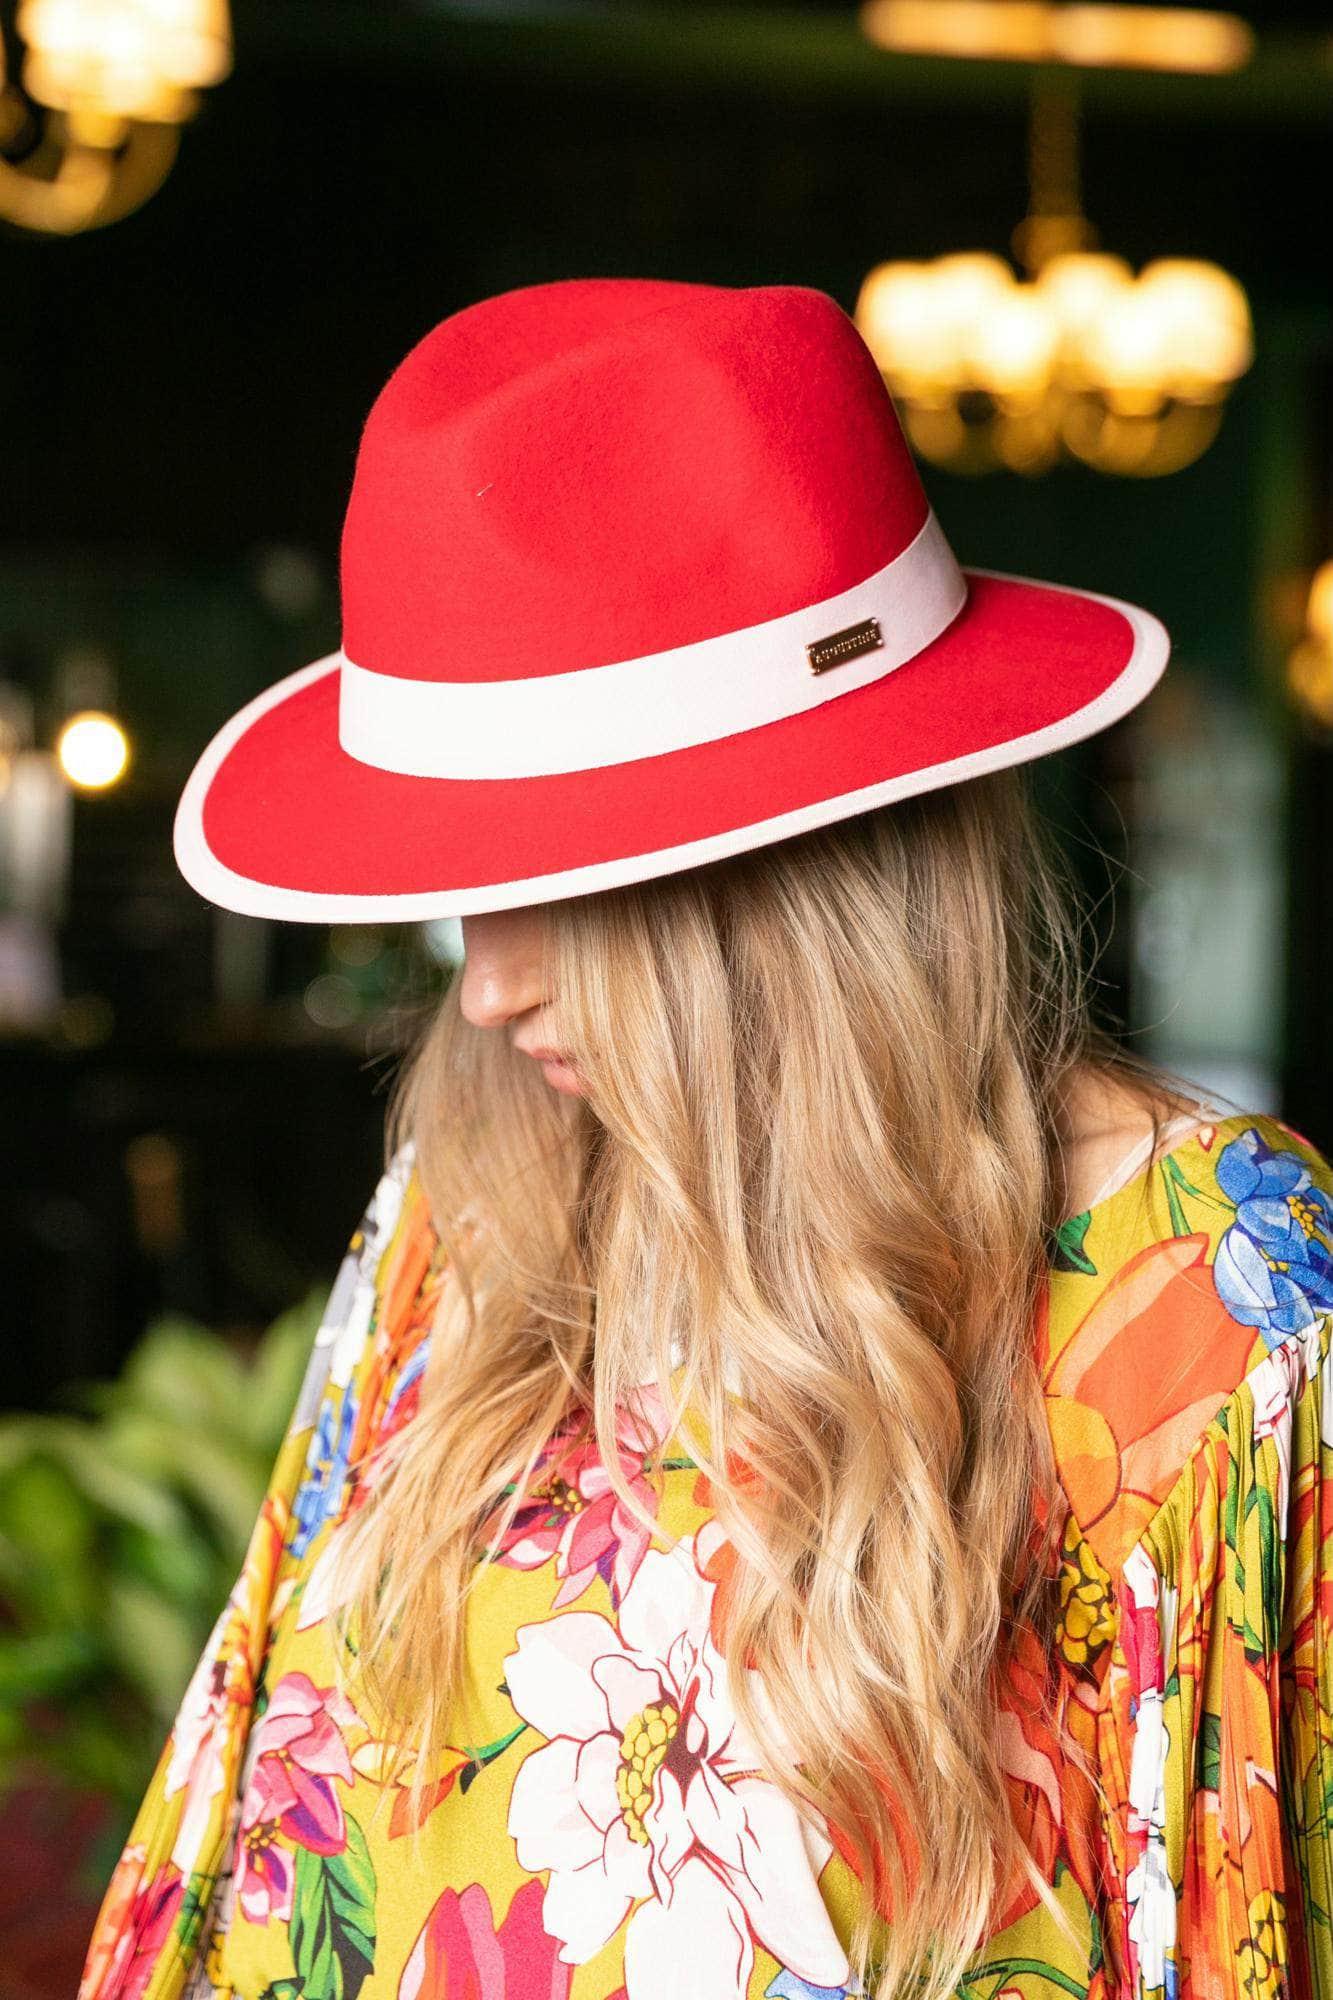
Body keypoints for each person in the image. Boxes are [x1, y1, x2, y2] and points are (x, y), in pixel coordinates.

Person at [80, 279, 1332, 2000]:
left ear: (793, 871)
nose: (489, 988)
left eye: (568, 879)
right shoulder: (481, 1198)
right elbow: (242, 1863)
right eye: (466, 884)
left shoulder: (1200, 1290)